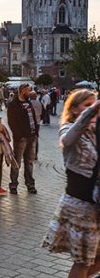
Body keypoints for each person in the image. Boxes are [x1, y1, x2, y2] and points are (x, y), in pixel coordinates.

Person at [42, 90, 100, 278]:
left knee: (94, 260)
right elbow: (67, 140)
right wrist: (93, 109)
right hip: (81, 205)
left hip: (96, 204)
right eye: (86, 105)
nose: (92, 109)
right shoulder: (68, 128)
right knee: (83, 262)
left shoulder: (95, 131)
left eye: (93, 103)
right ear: (75, 110)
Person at [7, 84, 38, 195]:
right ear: (22, 91)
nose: (30, 92)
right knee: (17, 162)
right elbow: (12, 122)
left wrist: (36, 132)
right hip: (21, 138)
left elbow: (33, 118)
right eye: (28, 91)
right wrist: (19, 135)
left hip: (32, 136)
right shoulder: (13, 105)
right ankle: (13, 184)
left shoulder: (29, 103)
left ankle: (30, 184)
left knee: (29, 162)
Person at [30, 91, 42, 160]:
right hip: (37, 122)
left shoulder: (29, 103)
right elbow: (42, 112)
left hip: (31, 123)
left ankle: (30, 154)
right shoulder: (39, 103)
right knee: (36, 138)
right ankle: (35, 154)